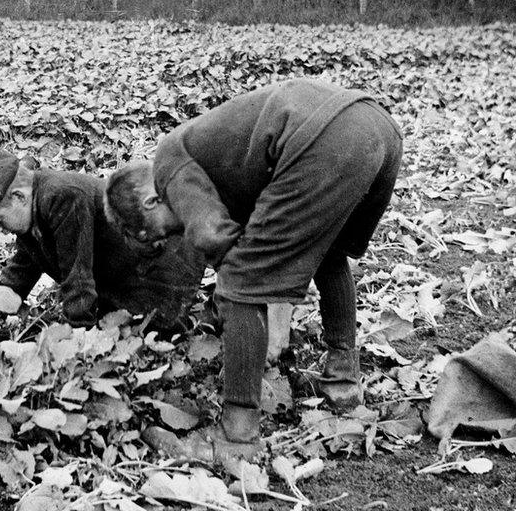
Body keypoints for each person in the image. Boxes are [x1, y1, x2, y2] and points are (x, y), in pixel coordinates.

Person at [104, 78, 402, 462]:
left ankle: (236, 436)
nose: (161, 243)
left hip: (325, 137)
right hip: (377, 126)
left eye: (147, 235)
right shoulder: (218, 166)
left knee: (240, 281)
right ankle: (343, 383)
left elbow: (214, 236)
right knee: (330, 253)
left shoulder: (169, 163)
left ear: (151, 201)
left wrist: (239, 295)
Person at [0, 151, 202, 329]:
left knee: (151, 336)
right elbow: (23, 268)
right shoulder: (34, 207)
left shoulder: (62, 196)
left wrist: (78, 344)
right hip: (124, 278)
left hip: (164, 269)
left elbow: (78, 278)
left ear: (19, 197)